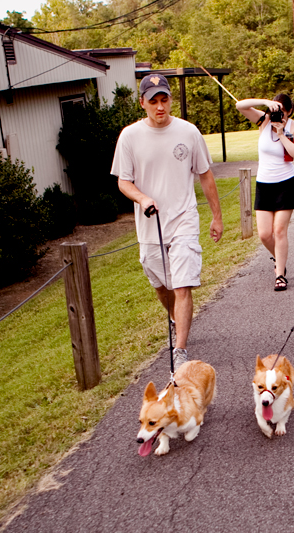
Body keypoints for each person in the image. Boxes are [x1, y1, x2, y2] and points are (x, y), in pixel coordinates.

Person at [111, 74, 223, 370]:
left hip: (184, 220)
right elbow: (124, 181)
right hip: (150, 228)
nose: (160, 107)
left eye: (165, 100)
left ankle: (181, 349)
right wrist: (143, 198)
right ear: (143, 103)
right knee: (162, 286)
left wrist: (216, 216)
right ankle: (175, 318)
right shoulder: (130, 136)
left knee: (182, 285)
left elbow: (205, 175)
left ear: (170, 100)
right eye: (154, 101)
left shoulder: (188, 132)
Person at [235, 94, 294, 291]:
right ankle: (280, 259)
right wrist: (265, 103)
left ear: (289, 111)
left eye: (282, 110)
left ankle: (280, 274)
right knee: (265, 234)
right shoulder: (264, 120)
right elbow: (239, 105)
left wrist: (282, 133)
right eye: (276, 108)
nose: (277, 113)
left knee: (280, 230)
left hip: (286, 184)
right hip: (264, 184)